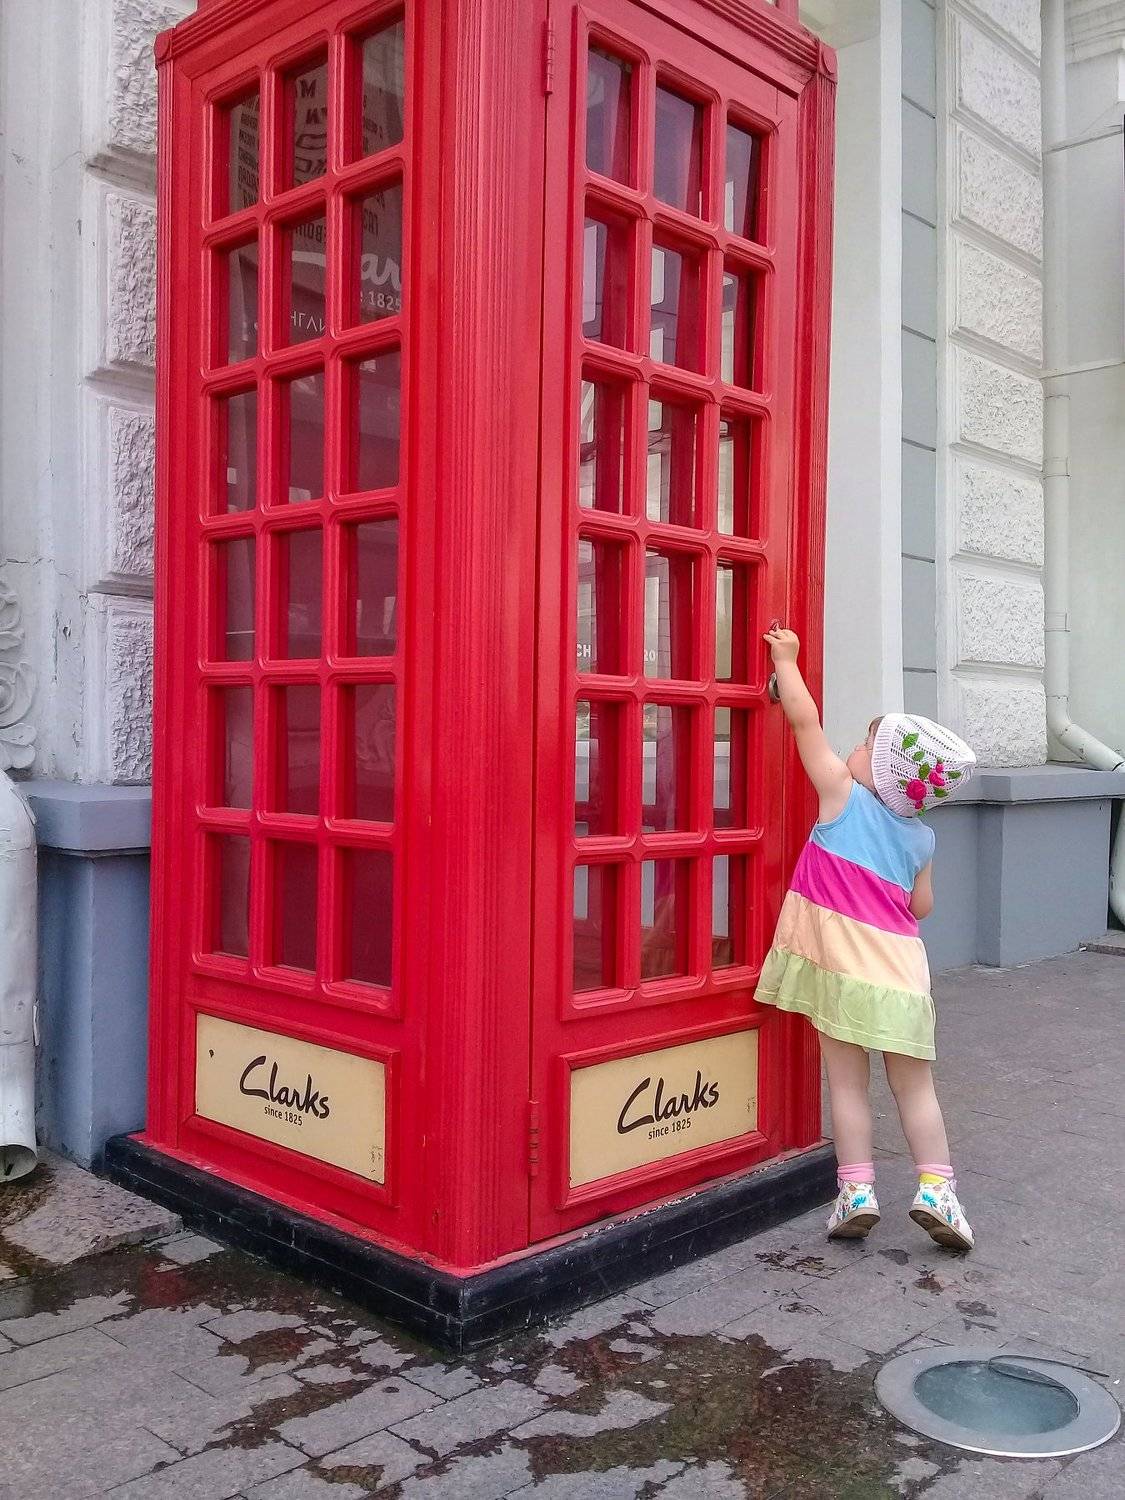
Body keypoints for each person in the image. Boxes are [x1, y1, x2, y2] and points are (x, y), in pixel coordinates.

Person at [757, 627, 977, 1251]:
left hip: (844, 977)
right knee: (917, 1090)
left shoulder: (842, 797)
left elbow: (804, 723)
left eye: (864, 745)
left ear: (879, 772)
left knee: (849, 1086)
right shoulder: (922, 837)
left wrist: (785, 661)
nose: (851, 749)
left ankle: (856, 1192)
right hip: (903, 978)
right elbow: (920, 906)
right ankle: (938, 1190)